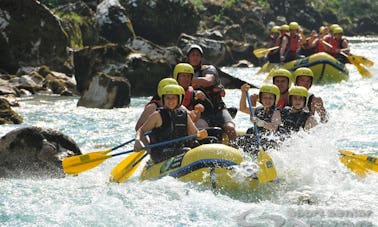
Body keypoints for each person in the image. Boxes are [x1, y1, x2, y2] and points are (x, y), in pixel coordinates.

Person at [134, 84, 201, 163]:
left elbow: (195, 133)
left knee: (199, 144)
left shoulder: (184, 115)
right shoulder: (157, 115)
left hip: (179, 150)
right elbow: (141, 130)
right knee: (187, 151)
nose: (170, 101)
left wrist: (201, 135)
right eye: (167, 98)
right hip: (161, 153)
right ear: (163, 99)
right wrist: (137, 140)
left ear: (178, 99)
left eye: (173, 98)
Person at [186, 44, 237, 141]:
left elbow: (208, 81)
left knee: (230, 128)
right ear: (188, 57)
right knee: (201, 129)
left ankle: (237, 151)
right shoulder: (183, 74)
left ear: (201, 57)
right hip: (201, 112)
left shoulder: (209, 69)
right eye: (192, 55)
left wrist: (187, 79)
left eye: (197, 55)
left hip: (218, 109)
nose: (195, 57)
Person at [236, 83, 282, 154]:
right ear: (261, 98)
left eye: (270, 98)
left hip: (269, 140)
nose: (267, 100)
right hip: (257, 138)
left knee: (251, 140)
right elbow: (243, 108)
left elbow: (274, 127)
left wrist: (260, 122)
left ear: (275, 99)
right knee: (240, 140)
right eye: (265, 97)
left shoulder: (276, 112)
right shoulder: (258, 109)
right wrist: (243, 93)